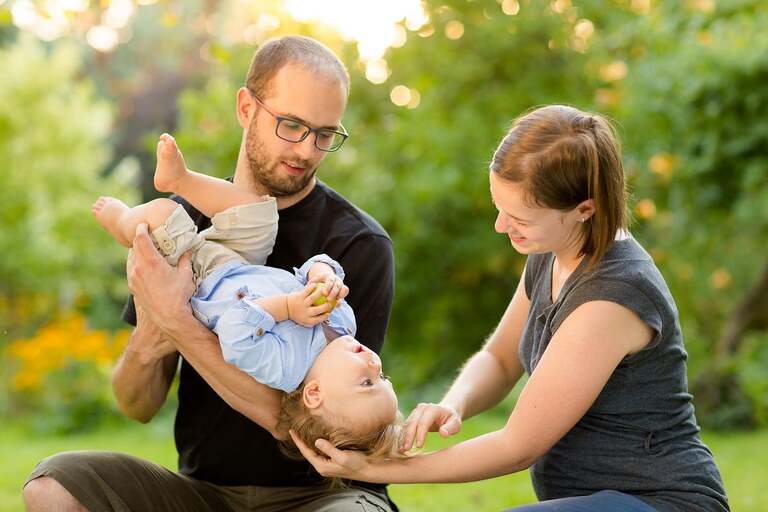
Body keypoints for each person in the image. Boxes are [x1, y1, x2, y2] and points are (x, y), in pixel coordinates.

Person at [292, 105, 730, 512]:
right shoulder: (551, 250)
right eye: (500, 208)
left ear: (584, 209)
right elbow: (500, 360)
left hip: (659, 500)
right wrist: (454, 404)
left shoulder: (612, 298)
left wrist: (377, 471)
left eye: (518, 218)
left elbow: (517, 446)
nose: (501, 226)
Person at [23, 35, 397, 512]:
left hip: (319, 496)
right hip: (204, 494)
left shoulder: (357, 245)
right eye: (291, 125)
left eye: (325, 135)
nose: (306, 150)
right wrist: (152, 332)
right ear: (246, 107)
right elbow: (136, 405)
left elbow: (299, 425)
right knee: (55, 487)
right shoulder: (181, 224)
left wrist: (180, 320)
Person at [91, 134, 400, 450]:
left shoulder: (287, 367)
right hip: (241, 263)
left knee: (162, 213)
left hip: (202, 283)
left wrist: (289, 307)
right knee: (258, 209)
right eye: (383, 378)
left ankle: (122, 221)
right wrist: (323, 273)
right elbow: (311, 268)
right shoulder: (344, 324)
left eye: (367, 383)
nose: (375, 366)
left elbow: (235, 332)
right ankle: (180, 179)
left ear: (315, 394)